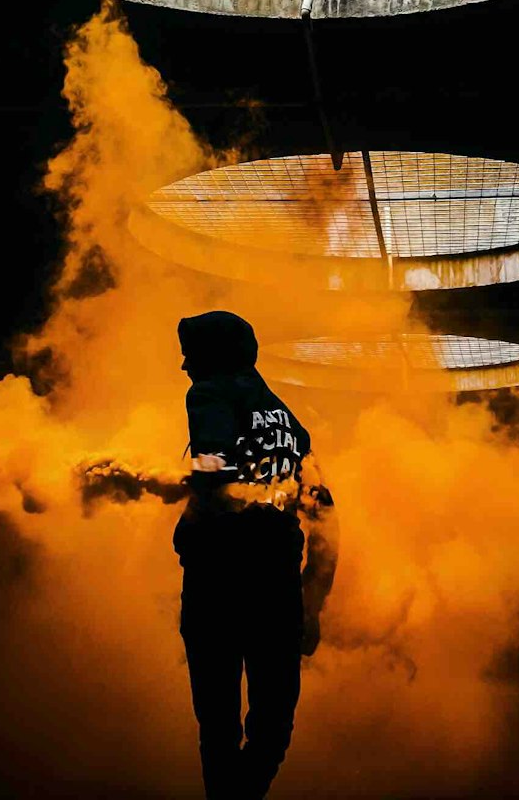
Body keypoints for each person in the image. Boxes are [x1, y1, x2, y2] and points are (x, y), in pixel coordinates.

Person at [174, 311, 337, 800]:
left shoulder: (208, 393)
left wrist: (192, 487)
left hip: (218, 588)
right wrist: (313, 601)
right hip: (279, 593)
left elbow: (212, 463)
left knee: (218, 725)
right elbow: (326, 515)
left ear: (215, 356)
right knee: (272, 723)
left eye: (191, 353)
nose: (184, 366)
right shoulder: (292, 423)